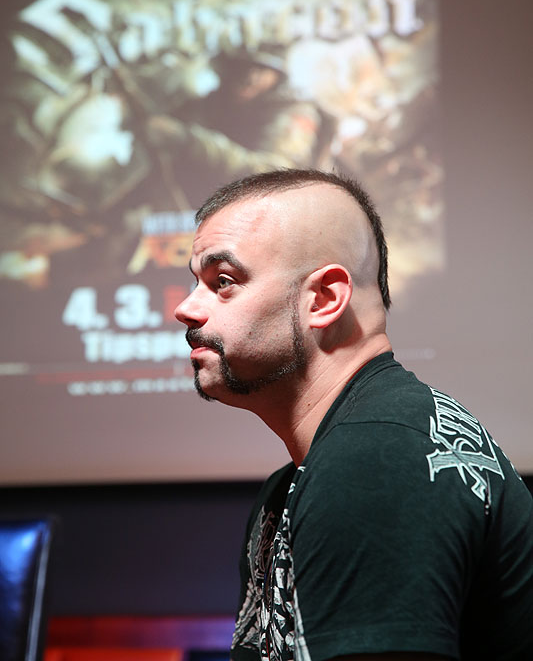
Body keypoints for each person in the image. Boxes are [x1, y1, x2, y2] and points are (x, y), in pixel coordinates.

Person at [174, 168, 533, 661]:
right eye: (196, 282)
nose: (186, 309)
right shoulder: (327, 465)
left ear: (324, 300)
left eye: (223, 281)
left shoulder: (377, 461)